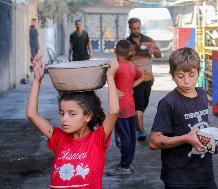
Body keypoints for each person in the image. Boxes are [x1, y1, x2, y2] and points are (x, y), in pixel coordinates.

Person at [26, 54, 119, 188]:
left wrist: (110, 77)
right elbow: (32, 114)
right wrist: (37, 80)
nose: (64, 119)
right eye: (62, 113)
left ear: (88, 116)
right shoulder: (58, 138)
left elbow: (114, 112)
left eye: (72, 114)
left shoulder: (97, 139)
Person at [149, 48, 217, 189]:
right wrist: (185, 138)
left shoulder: (202, 95)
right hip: (179, 178)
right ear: (172, 75)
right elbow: (154, 141)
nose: (186, 81)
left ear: (199, 72)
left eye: (191, 75)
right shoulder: (168, 103)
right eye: (180, 76)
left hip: (205, 174)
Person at [106, 40, 144, 176]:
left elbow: (107, 79)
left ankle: (124, 166)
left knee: (123, 138)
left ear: (115, 50)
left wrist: (115, 89)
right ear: (129, 52)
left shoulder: (115, 67)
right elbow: (142, 77)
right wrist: (130, 87)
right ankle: (128, 162)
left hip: (120, 108)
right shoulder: (131, 65)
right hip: (130, 107)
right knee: (131, 137)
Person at [126, 17, 161, 140]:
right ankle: (140, 130)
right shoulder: (127, 43)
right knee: (139, 105)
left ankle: (136, 122)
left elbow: (159, 54)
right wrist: (129, 54)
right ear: (130, 27)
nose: (136, 30)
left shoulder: (148, 40)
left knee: (144, 103)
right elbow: (122, 59)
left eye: (138, 28)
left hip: (148, 78)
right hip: (135, 79)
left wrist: (153, 51)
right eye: (133, 28)